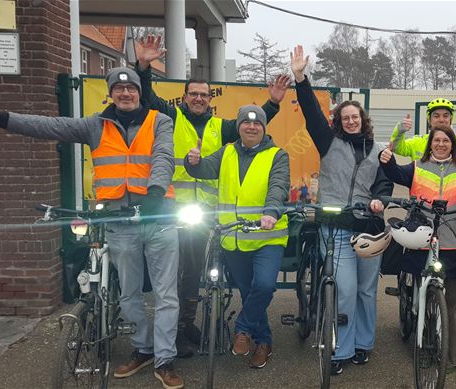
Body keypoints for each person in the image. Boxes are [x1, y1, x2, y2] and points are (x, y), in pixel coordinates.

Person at [0, 68, 184, 389]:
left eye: (131, 88)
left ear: (140, 92)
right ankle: (144, 348)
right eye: (119, 88)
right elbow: (48, 126)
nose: (125, 93)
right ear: (111, 93)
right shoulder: (94, 125)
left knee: (167, 294)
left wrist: (155, 191)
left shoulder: (160, 121)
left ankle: (165, 359)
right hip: (119, 219)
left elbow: (164, 155)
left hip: (159, 216)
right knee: (128, 293)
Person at [134, 35, 290, 356]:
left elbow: (253, 125)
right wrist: (143, 67)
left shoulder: (221, 127)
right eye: (194, 93)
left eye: (204, 95)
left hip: (203, 215)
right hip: (168, 208)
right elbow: (146, 97)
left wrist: (273, 102)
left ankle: (186, 325)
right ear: (185, 96)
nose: (199, 99)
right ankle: (170, 330)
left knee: (193, 272)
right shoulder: (171, 116)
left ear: (210, 98)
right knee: (167, 275)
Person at [291, 45, 393, 375]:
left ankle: (363, 343)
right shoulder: (327, 141)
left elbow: (385, 182)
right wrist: (300, 78)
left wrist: (380, 200)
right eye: (345, 117)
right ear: (339, 121)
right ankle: (342, 348)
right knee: (345, 291)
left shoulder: (378, 150)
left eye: (355, 117)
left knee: (366, 290)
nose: (350, 121)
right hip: (334, 226)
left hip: (368, 227)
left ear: (363, 121)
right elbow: (310, 112)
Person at [183, 105, 290, 369]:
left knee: (264, 286)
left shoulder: (278, 155)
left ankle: (242, 329)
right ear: (239, 126)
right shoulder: (227, 152)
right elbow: (205, 169)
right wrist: (192, 163)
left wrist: (271, 212)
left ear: (264, 128)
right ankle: (264, 342)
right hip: (233, 237)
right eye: (246, 123)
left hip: (268, 235)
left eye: (257, 124)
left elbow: (278, 186)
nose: (251, 127)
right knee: (248, 292)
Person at [379, 124, 456, 372]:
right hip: (421, 238)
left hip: (453, 241)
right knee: (422, 295)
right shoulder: (417, 167)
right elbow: (395, 173)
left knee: (454, 303)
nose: (441, 144)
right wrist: (385, 161)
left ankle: (453, 356)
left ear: (453, 144)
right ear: (430, 144)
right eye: (436, 140)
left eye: (446, 141)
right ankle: (426, 346)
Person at [388, 99, 456, 160]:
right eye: (436, 116)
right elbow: (396, 148)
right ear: (429, 120)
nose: (441, 120)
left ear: (451, 119)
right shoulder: (417, 141)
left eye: (445, 116)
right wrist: (400, 130)